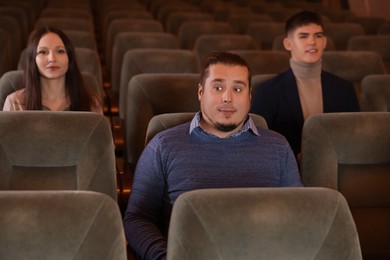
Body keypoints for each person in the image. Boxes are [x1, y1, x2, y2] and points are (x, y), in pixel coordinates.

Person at [124, 51, 302, 260]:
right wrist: (165, 257)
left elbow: (296, 216)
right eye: (218, 87)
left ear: (249, 96)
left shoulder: (279, 147)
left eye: (237, 89)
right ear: (201, 92)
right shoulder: (162, 146)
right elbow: (137, 218)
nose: (227, 97)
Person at [250, 10, 359, 159]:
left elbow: (355, 138)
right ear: (288, 43)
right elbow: (257, 143)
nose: (312, 41)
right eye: (303, 36)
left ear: (325, 42)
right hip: (286, 171)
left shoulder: (345, 89)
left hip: (338, 168)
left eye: (318, 35)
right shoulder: (267, 91)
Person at [2, 27, 102, 113]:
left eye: (60, 51)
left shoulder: (90, 102)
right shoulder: (15, 103)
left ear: (69, 58)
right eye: (43, 52)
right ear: (33, 60)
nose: (52, 58)